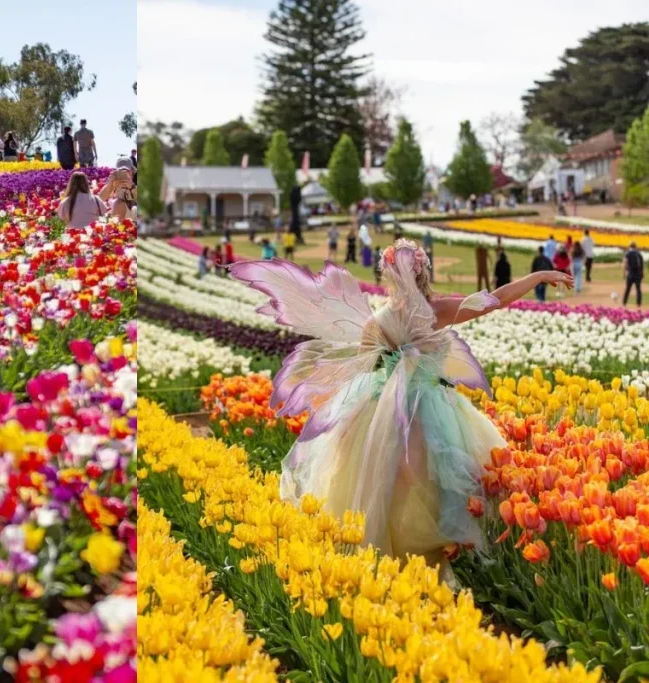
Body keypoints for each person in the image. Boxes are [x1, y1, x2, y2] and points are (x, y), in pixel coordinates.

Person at [228, 240, 572, 582]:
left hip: (379, 409)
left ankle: (389, 560)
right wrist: (538, 276)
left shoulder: (377, 321)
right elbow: (493, 300)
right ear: (423, 272)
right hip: (432, 409)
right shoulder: (436, 311)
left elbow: (367, 368)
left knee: (382, 482)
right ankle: (429, 559)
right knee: (429, 480)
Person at [624, 243, 644, 307]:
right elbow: (642, 265)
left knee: (628, 288)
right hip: (638, 274)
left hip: (631, 274)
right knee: (638, 289)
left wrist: (625, 272)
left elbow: (625, 262)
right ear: (636, 247)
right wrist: (642, 274)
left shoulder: (628, 253)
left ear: (630, 247)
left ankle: (624, 302)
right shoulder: (639, 254)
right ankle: (638, 303)